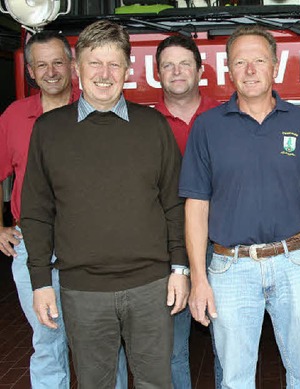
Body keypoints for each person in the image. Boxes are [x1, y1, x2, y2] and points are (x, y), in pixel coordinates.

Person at [21, 20, 188, 388]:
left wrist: (180, 267)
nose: (104, 74)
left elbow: (175, 204)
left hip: (151, 287)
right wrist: (40, 282)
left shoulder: (153, 126)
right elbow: (36, 211)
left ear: (128, 70)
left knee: (156, 382)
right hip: (82, 291)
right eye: (94, 63)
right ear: (77, 69)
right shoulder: (49, 130)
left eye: (114, 64)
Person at [180, 25, 300, 388]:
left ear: (275, 67)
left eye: (259, 61)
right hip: (229, 268)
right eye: (240, 62)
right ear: (228, 71)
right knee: (235, 378)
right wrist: (198, 279)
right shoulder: (207, 128)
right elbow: (195, 208)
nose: (250, 70)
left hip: (295, 263)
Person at [0, 31, 127, 389]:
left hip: (92, 246)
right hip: (34, 246)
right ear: (29, 71)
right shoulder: (14, 116)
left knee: (103, 343)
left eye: (58, 62)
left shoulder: (101, 108)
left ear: (73, 66)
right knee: (48, 343)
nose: (51, 71)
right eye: (41, 65)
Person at [154, 34, 222, 389]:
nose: (176, 71)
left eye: (184, 64)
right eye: (168, 65)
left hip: (224, 244)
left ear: (199, 71)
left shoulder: (228, 115)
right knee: (172, 349)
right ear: (157, 74)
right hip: (168, 248)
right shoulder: (144, 124)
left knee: (227, 345)